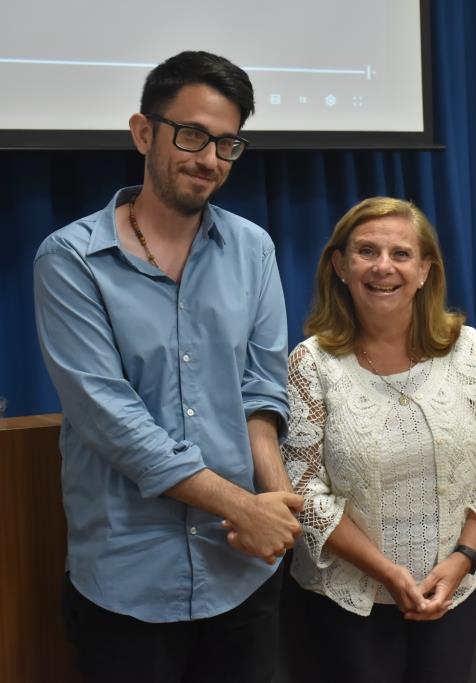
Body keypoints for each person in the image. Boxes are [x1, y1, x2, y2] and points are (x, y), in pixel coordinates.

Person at [33, 51, 302, 683]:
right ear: (143, 132)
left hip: (242, 574)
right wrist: (243, 507)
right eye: (192, 135)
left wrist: (274, 498)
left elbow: (262, 386)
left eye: (227, 143)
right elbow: (112, 422)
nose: (209, 158)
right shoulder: (71, 260)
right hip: (128, 579)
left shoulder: (252, 248)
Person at [281, 196, 476, 683]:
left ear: (426, 269)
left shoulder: (468, 350)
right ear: (341, 266)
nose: (383, 267)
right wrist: (388, 573)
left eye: (401, 254)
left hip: (453, 590)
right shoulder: (311, 364)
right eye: (367, 251)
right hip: (346, 602)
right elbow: (304, 490)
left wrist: (463, 560)